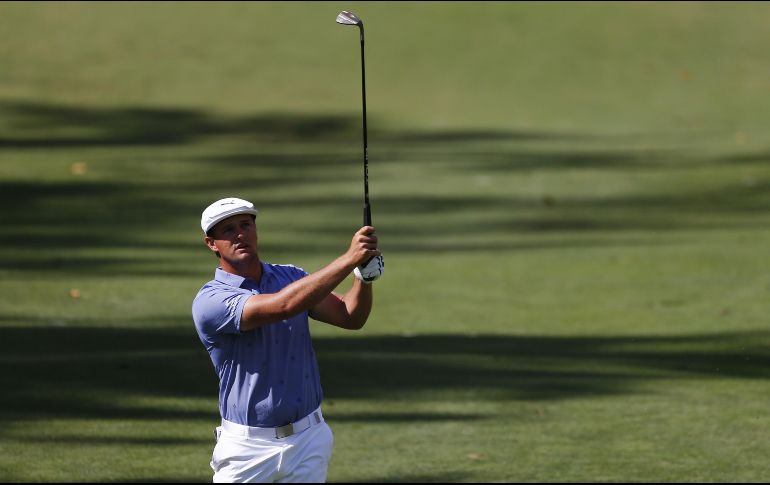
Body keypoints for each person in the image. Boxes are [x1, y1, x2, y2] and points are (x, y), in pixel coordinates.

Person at [192, 197, 383, 483]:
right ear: (211, 243)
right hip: (248, 448)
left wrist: (363, 279)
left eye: (246, 225)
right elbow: (283, 306)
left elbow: (348, 316)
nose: (240, 234)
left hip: (308, 439)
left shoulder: (290, 276)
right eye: (228, 230)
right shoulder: (211, 300)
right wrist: (349, 258)